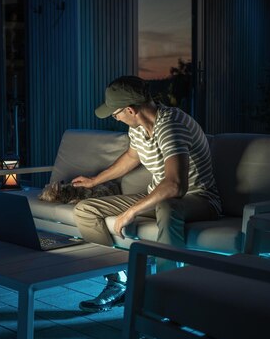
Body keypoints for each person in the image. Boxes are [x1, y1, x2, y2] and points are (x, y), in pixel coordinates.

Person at [72, 75, 221, 313]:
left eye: (115, 114)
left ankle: (167, 294)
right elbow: (132, 157)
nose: (116, 118)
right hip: (160, 198)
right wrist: (94, 180)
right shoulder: (139, 129)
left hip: (199, 199)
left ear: (130, 110)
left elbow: (175, 186)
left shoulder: (171, 125)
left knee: (167, 205)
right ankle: (118, 282)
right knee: (86, 210)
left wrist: (131, 212)